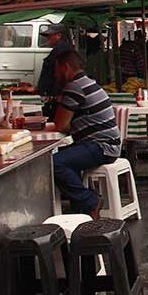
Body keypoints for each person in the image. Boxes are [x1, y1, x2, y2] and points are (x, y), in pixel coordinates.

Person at [51, 50, 121, 218]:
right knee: (66, 158)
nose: (54, 74)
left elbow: (60, 124)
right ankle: (80, 209)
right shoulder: (88, 83)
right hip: (107, 144)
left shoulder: (74, 87)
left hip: (101, 147)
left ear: (65, 67)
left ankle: (89, 201)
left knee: (55, 163)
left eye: (56, 69)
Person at [36, 24, 75, 120]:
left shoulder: (62, 50)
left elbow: (60, 75)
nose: (48, 38)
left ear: (59, 35)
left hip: (57, 97)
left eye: (50, 35)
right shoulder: (59, 49)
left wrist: (57, 94)